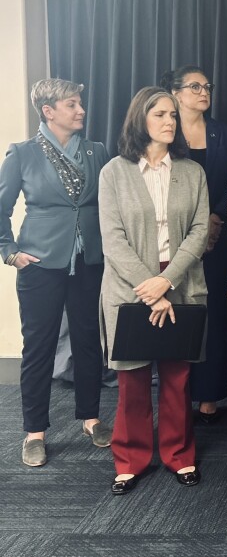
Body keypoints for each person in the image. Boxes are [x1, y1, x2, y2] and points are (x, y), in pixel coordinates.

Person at [99, 87, 209, 494]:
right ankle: (130, 459)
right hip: (131, 287)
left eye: (173, 115)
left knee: (178, 377)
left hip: (179, 280)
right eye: (159, 114)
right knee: (132, 379)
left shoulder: (192, 171)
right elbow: (113, 241)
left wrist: (168, 280)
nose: (169, 121)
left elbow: (199, 232)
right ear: (139, 120)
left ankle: (179, 455)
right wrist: (151, 288)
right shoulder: (113, 172)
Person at [0, 79, 112, 467]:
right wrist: (9, 251)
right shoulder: (22, 153)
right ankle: (34, 432)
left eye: (80, 103)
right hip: (40, 263)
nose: (81, 110)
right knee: (39, 347)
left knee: (86, 341)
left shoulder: (97, 152)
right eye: (71, 104)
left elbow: (110, 203)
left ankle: (91, 418)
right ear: (48, 111)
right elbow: (1, 206)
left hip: (89, 262)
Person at [161, 66, 227, 423]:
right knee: (178, 312)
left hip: (217, 236)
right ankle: (176, 395)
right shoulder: (164, 129)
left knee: (214, 313)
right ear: (176, 93)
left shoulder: (224, 133)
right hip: (172, 238)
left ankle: (210, 394)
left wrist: (215, 219)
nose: (203, 91)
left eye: (206, 86)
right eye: (194, 86)